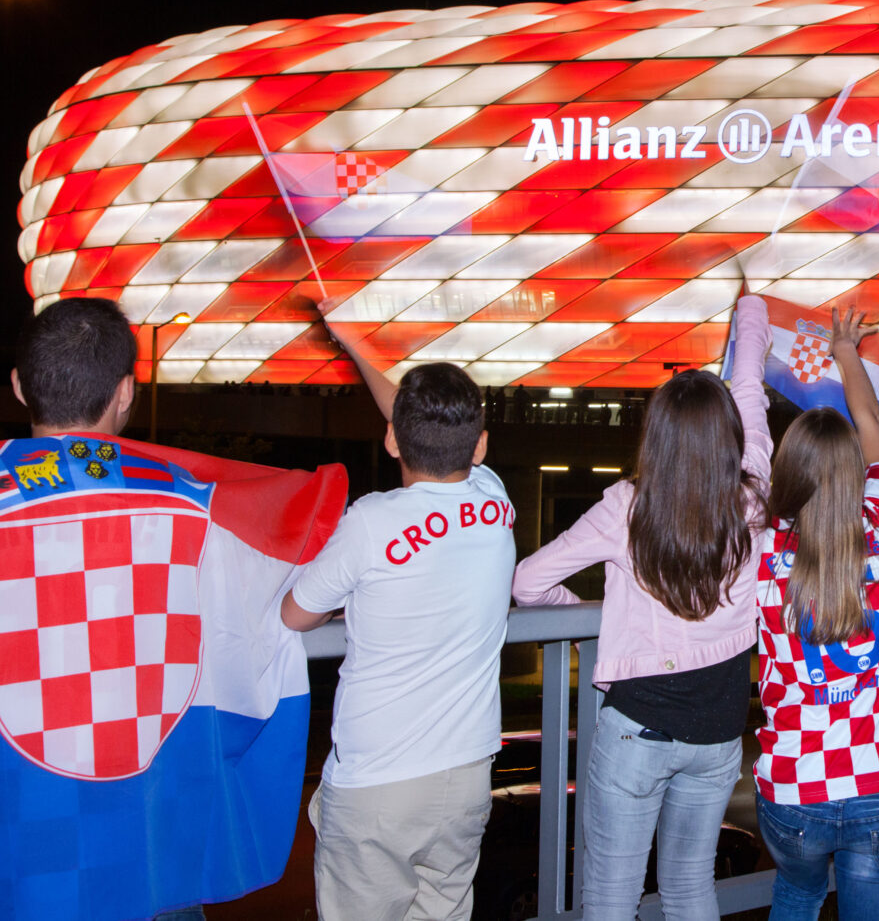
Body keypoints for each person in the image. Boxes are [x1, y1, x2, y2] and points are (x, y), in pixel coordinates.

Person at [2, 298, 346, 921]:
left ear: (20, 387)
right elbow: (310, 570)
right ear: (127, 393)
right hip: (153, 851)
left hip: (23, 850)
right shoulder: (198, 507)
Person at [509, 294, 774, 920]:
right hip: (717, 733)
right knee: (690, 891)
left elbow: (527, 583)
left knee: (609, 901)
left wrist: (605, 621)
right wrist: (751, 308)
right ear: (730, 437)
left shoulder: (626, 508)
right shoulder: (754, 494)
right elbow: (751, 387)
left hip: (636, 731)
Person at [281, 317, 513, 921]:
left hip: (377, 784)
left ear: (390, 442)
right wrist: (356, 344)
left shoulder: (370, 522)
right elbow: (423, 421)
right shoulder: (495, 502)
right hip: (464, 778)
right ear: (480, 444)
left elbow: (295, 614)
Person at [754, 307, 879, 921]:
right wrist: (847, 352)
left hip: (794, 793)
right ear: (856, 476)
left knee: (797, 892)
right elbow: (874, 431)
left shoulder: (763, 550)